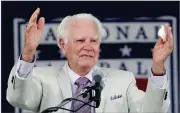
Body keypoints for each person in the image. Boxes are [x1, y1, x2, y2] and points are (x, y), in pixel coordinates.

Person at [6, 7, 172, 113]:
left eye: (93, 41)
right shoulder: (42, 79)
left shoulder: (123, 81)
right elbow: (17, 98)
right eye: (80, 41)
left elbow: (152, 110)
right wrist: (28, 53)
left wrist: (158, 67)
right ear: (63, 45)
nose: (88, 46)